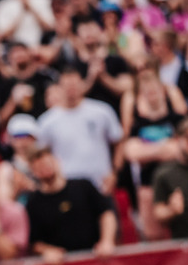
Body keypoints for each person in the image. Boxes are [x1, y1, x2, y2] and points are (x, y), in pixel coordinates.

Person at [119, 60, 188, 240]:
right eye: (147, 92)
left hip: (177, 183)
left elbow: (183, 148)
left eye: (155, 91)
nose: (152, 95)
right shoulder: (137, 125)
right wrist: (166, 148)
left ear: (163, 92)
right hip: (148, 185)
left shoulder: (176, 119)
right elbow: (132, 153)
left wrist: (147, 151)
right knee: (153, 236)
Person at [36, 66, 124, 194]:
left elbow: (118, 142)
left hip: (101, 184)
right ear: (59, 88)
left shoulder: (102, 111)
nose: (71, 89)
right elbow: (42, 155)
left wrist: (114, 172)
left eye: (74, 85)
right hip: (66, 187)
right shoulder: (47, 121)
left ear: (82, 84)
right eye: (67, 85)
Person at [25, 146, 117, 265]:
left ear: (57, 161)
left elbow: (106, 213)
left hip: (97, 260)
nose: (45, 169)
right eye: (39, 167)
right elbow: (34, 242)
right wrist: (47, 251)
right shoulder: (33, 203)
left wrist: (107, 241)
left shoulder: (83, 186)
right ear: (33, 171)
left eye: (47, 164)